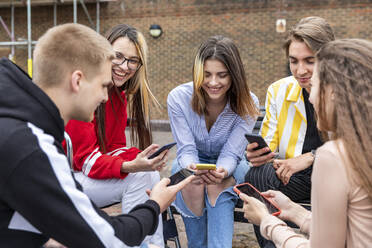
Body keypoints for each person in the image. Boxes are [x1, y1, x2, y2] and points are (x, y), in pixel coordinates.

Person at [0, 23, 193, 248]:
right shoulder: (33, 147)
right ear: (77, 81)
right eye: (103, 85)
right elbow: (105, 237)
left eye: (133, 60)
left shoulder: (18, 127)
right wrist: (154, 205)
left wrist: (136, 159)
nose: (105, 96)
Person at [240, 38, 372, 247]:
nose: (310, 98)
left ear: (334, 93)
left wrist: (266, 221)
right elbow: (348, 233)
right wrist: (295, 211)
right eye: (294, 61)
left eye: (316, 84)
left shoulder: (334, 155)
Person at [64, 24, 167, 247]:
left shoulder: (117, 95)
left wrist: (141, 157)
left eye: (133, 60)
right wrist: (131, 166)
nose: (124, 66)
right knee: (140, 176)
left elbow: (115, 148)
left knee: (149, 175)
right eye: (117, 56)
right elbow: (88, 162)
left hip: (82, 178)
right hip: (62, 182)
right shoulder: (82, 91)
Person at [244, 16, 335, 247]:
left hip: (337, 171)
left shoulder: (347, 90)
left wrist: (311, 157)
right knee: (255, 176)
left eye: (309, 61)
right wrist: (259, 155)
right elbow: (270, 145)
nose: (300, 70)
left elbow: (356, 149)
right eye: (293, 61)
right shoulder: (279, 90)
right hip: (296, 175)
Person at [167, 35, 260, 247]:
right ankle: (197, 244)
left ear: (234, 75)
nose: (213, 82)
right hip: (193, 160)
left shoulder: (248, 102)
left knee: (218, 186)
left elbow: (232, 153)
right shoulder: (178, 98)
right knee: (190, 182)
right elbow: (186, 149)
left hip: (232, 164)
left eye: (222, 75)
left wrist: (222, 172)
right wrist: (193, 169)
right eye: (206, 75)